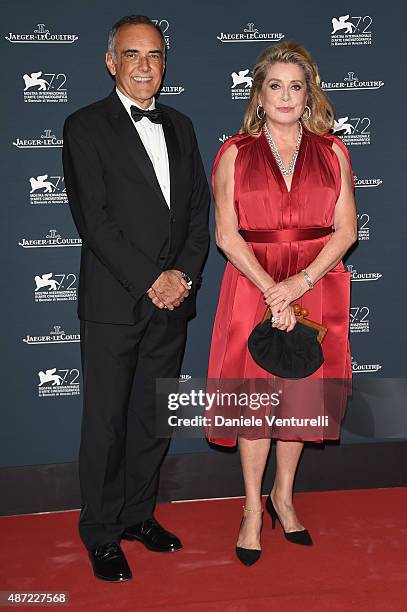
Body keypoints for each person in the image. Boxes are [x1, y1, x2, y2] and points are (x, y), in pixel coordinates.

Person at [62, 15, 209, 582]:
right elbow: (93, 222)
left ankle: (137, 516)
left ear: (165, 62)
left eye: (154, 54)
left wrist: (183, 278)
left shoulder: (182, 125)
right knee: (106, 422)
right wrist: (154, 279)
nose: (145, 65)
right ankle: (100, 532)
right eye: (132, 54)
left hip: (173, 302)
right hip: (115, 301)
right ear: (111, 62)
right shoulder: (84, 126)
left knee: (153, 417)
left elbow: (199, 213)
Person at [207, 42, 357, 566]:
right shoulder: (234, 151)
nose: (287, 96)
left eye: (297, 86)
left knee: (299, 397)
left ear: (309, 92)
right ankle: (252, 509)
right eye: (276, 85)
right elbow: (227, 234)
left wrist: (300, 282)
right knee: (254, 399)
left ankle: (283, 497)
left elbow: (346, 229)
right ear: (259, 93)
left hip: (317, 281)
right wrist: (273, 288)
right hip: (252, 282)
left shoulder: (334, 150)